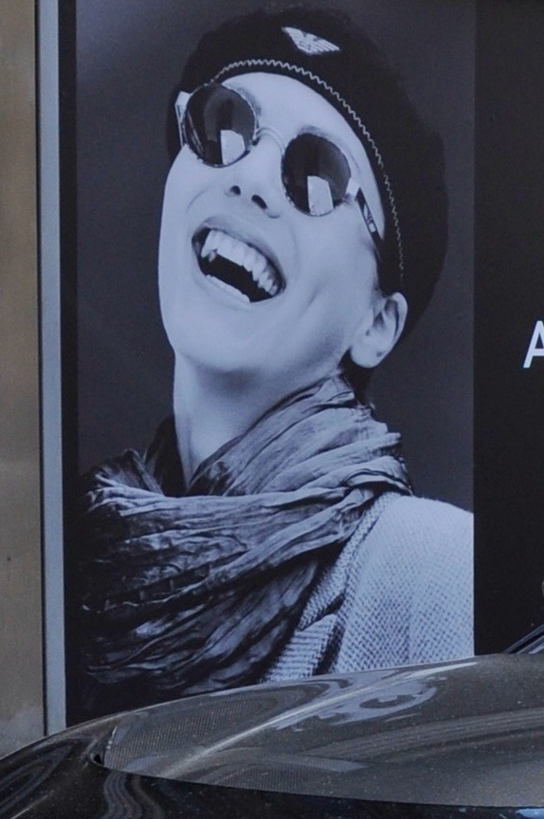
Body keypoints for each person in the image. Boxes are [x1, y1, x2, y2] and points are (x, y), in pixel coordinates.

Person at [72, 9, 472, 719]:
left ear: (377, 325)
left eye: (315, 173)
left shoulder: (433, 577)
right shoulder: (89, 557)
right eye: (224, 125)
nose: (251, 178)